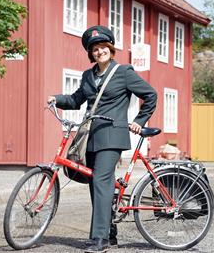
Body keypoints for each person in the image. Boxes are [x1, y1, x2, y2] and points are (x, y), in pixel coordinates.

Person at [47, 25, 157, 253]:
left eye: (103, 47)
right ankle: (109, 231)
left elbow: (150, 94)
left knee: (100, 182)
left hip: (112, 136)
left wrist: (140, 119)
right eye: (95, 49)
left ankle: (100, 239)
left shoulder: (124, 72)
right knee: (95, 184)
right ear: (91, 54)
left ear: (110, 48)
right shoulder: (88, 76)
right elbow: (77, 100)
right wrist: (56, 99)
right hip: (90, 137)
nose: (99, 51)